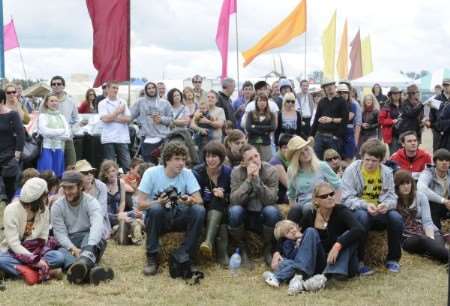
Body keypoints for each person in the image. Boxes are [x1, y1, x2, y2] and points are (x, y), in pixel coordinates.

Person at [136, 142, 205, 276]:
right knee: (156, 209)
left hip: (179, 214)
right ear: (167, 159)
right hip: (159, 218)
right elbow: (140, 204)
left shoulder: (187, 173)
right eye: (177, 159)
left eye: (183, 159)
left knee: (199, 210)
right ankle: (152, 258)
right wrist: (158, 202)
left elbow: (200, 201)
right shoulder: (152, 173)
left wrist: (191, 201)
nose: (181, 163)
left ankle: (186, 255)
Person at [341, 139, 403, 274]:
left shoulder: (386, 172)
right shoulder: (352, 170)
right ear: (362, 157)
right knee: (362, 217)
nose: (370, 164)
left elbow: (392, 197)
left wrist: (386, 205)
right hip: (358, 210)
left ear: (381, 160)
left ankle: (393, 259)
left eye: (374, 161)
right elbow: (346, 199)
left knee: (396, 218)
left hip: (379, 211)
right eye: (367, 159)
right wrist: (365, 205)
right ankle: (359, 261)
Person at [51, 171, 114, 285]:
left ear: (80, 187)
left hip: (88, 239)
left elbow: (97, 226)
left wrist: (89, 247)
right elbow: (59, 233)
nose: (67, 192)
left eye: (70, 188)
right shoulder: (57, 206)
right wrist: (72, 248)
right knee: (60, 252)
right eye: (64, 188)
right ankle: (88, 272)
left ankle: (81, 266)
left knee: (96, 239)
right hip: (69, 242)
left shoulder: (91, 202)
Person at [0, 178, 65, 285]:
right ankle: (43, 272)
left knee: (58, 257)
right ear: (40, 198)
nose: (47, 197)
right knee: (1, 260)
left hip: (36, 250)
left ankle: (20, 271)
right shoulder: (11, 210)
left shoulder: (45, 210)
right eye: (46, 195)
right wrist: (34, 260)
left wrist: (35, 258)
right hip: (13, 252)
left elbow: (43, 238)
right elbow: (14, 244)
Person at [229, 144, 280, 266]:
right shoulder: (236, 172)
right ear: (243, 162)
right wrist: (248, 180)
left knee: (272, 212)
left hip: (263, 213)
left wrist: (256, 179)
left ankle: (268, 247)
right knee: (234, 211)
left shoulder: (271, 171)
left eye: (256, 156)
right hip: (245, 214)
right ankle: (242, 247)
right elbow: (234, 200)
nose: (255, 160)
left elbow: (271, 200)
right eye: (250, 159)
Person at [395, 170, 447, 263]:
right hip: (408, 237)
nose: (406, 186)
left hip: (429, 232)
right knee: (423, 240)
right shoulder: (393, 199)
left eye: (408, 183)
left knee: (436, 245)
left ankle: (434, 253)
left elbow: (427, 221)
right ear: (396, 186)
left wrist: (430, 238)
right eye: (402, 184)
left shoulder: (421, 196)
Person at [285, 136, 341, 222]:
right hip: (302, 203)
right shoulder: (291, 170)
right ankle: (292, 231)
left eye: (306, 149)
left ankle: (311, 231)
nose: (305, 154)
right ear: (296, 157)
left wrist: (335, 205)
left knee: (308, 208)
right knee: (295, 209)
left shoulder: (322, 165)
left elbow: (338, 185)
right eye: (301, 153)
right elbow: (291, 195)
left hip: (321, 202)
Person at [193, 142, 231, 265]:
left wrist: (223, 195)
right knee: (215, 201)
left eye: (214, 156)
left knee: (218, 201)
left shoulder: (228, 172)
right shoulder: (198, 172)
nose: (210, 160)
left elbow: (234, 195)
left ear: (221, 157)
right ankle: (220, 252)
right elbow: (195, 196)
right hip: (203, 207)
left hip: (223, 207)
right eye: (208, 156)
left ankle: (210, 243)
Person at [130, 82, 173, 163]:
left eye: (153, 88)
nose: (151, 90)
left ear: (156, 89)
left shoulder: (165, 103)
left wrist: (161, 119)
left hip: (162, 138)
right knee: (148, 165)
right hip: (147, 138)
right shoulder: (140, 102)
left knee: (163, 164)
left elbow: (171, 119)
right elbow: (130, 116)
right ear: (146, 90)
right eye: (149, 88)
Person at [47, 76, 82, 169]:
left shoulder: (70, 101)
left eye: (59, 84)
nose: (56, 86)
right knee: (53, 169)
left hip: (67, 139)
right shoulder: (46, 100)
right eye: (53, 84)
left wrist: (71, 132)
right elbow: (40, 118)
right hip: (51, 140)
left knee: (71, 166)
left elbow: (76, 120)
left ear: (63, 86)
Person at [98, 81, 132, 172]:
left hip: (122, 137)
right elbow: (105, 119)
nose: (115, 90)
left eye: (117, 88)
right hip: (108, 138)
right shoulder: (102, 103)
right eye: (113, 87)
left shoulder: (123, 101)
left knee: (127, 164)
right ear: (107, 89)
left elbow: (128, 119)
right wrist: (117, 112)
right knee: (110, 167)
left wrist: (112, 117)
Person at [310, 81, 348, 159]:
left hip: (333, 137)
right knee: (317, 160)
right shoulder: (321, 101)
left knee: (333, 161)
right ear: (324, 89)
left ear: (335, 87)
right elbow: (316, 119)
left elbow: (345, 120)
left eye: (331, 85)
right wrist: (311, 135)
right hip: (320, 136)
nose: (329, 87)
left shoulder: (341, 101)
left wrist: (336, 136)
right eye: (327, 86)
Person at [75, 160, 111, 240]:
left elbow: (102, 211)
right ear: (77, 175)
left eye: (91, 171)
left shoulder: (101, 186)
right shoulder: (73, 187)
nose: (89, 174)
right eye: (85, 172)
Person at [0, 88, 25, 203]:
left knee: (10, 188)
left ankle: (11, 212)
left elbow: (21, 134)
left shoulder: (12, 115)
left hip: (8, 157)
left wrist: (17, 154)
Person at [37, 95, 71, 177]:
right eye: (51, 101)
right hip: (46, 148)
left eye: (56, 101)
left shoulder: (62, 117)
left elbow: (67, 135)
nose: (54, 103)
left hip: (59, 148)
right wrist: (61, 131)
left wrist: (52, 133)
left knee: (58, 175)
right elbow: (45, 132)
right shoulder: (43, 116)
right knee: (46, 174)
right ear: (46, 103)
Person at [417, 149, 450, 229]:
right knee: (433, 206)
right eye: (441, 160)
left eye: (447, 160)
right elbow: (421, 188)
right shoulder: (428, 173)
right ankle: (437, 234)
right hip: (433, 205)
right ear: (435, 162)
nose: (444, 163)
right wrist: (443, 201)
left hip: (448, 204)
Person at [246, 94, 276, 161]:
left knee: (267, 163)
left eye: (264, 100)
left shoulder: (271, 115)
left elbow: (273, 127)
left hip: (266, 143)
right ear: (256, 102)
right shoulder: (251, 114)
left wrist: (255, 126)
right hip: (253, 142)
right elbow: (248, 127)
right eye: (260, 100)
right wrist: (265, 130)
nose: (262, 102)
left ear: (267, 102)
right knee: (253, 161)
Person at [337, 83, 359, 162]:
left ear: (348, 93)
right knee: (337, 158)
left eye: (345, 92)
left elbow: (348, 118)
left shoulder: (353, 105)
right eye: (340, 93)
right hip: (337, 134)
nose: (343, 94)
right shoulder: (335, 105)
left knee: (348, 159)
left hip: (348, 134)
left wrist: (333, 119)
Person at [269, 134, 294, 204]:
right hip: (280, 193)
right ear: (279, 149)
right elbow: (288, 185)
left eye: (290, 147)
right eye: (284, 147)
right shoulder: (276, 162)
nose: (287, 150)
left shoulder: (293, 159)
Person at [379, 86, 403, 154]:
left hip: (404, 134)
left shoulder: (404, 105)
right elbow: (381, 120)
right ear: (391, 95)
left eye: (398, 93)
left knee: (404, 155)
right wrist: (392, 121)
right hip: (392, 135)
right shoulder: (386, 106)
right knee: (394, 155)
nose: (396, 95)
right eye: (394, 94)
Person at [428, 79, 450, 151]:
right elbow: (432, 115)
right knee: (438, 152)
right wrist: (435, 126)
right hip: (438, 131)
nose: (446, 87)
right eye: (444, 85)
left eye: (448, 85)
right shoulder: (436, 99)